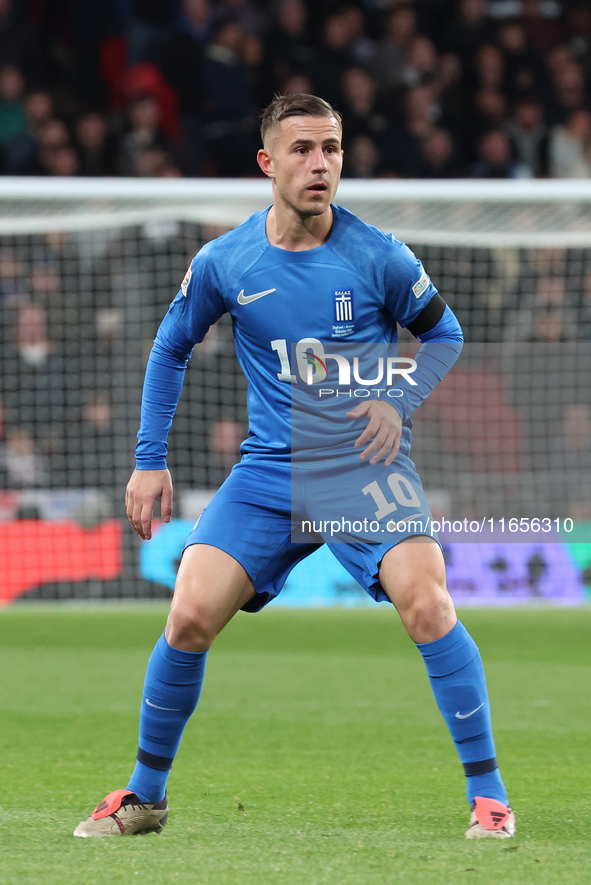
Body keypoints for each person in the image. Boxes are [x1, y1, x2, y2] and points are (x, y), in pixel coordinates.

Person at [73, 93, 515, 840]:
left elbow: (444, 334)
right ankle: (145, 796)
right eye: (304, 149)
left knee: (428, 604)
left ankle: (490, 797)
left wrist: (397, 400)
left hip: (360, 469)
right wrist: (149, 461)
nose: (320, 164)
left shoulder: (378, 254)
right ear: (266, 161)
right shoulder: (226, 259)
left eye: (332, 149)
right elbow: (169, 346)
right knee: (186, 616)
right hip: (270, 473)